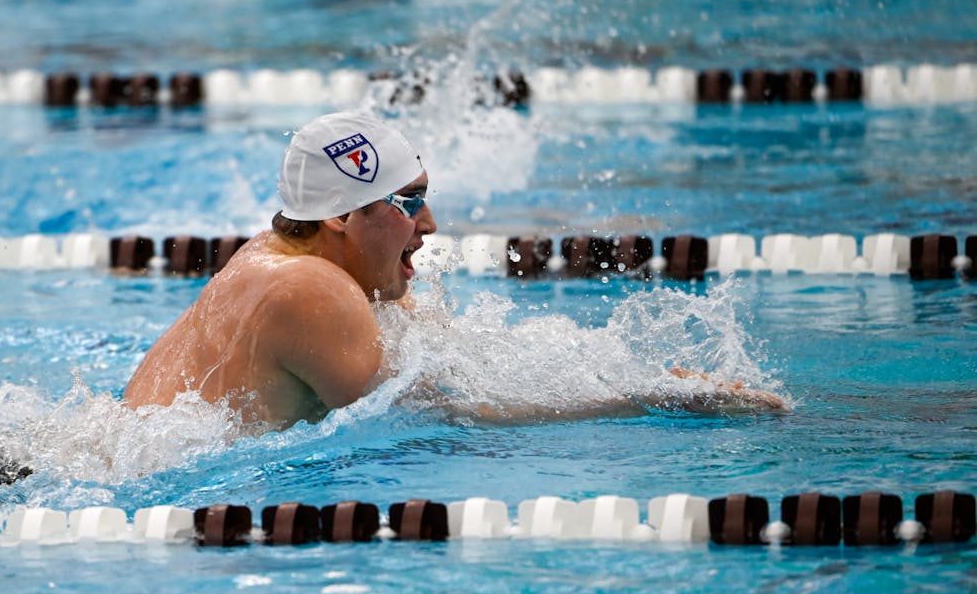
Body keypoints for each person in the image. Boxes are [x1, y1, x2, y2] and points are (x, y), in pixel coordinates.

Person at [123, 111, 784, 431]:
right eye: (409, 202)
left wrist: (625, 369)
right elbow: (449, 417)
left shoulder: (293, 260)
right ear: (340, 219)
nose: (430, 224)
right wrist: (644, 400)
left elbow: (455, 360)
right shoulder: (307, 289)